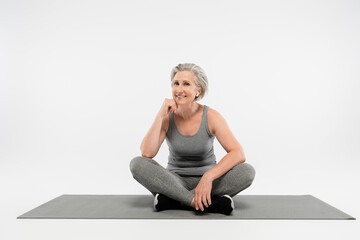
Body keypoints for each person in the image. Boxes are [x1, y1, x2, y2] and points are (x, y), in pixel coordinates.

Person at [129, 63, 255, 215]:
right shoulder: (167, 117)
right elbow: (147, 153)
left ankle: (174, 200)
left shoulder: (211, 116)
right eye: (176, 84)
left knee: (247, 171)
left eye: (186, 84)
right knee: (137, 164)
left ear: (198, 91)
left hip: (209, 183)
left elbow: (238, 153)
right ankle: (204, 202)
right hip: (174, 182)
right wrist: (160, 114)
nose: (179, 89)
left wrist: (208, 177)